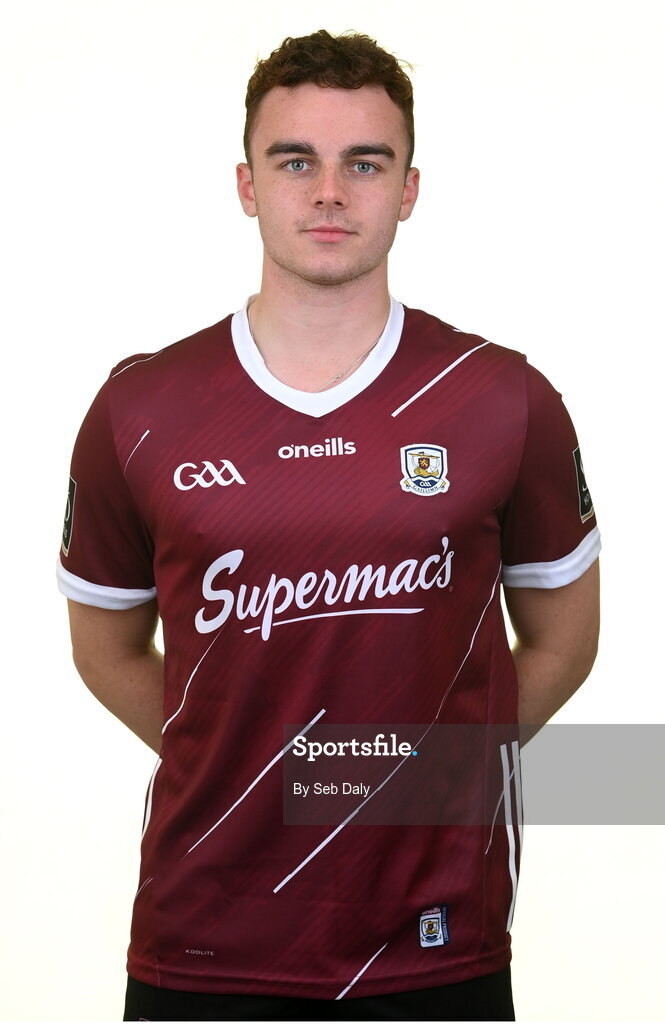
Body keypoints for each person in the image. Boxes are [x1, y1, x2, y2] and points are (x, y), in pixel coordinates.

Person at [57, 28, 600, 1022]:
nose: (328, 191)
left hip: (436, 945)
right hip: (203, 940)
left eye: (364, 162)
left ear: (408, 188)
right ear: (245, 184)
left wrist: (411, 779)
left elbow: (564, 638)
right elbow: (104, 645)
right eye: (293, 159)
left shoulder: (497, 399)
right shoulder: (143, 408)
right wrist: (239, 761)